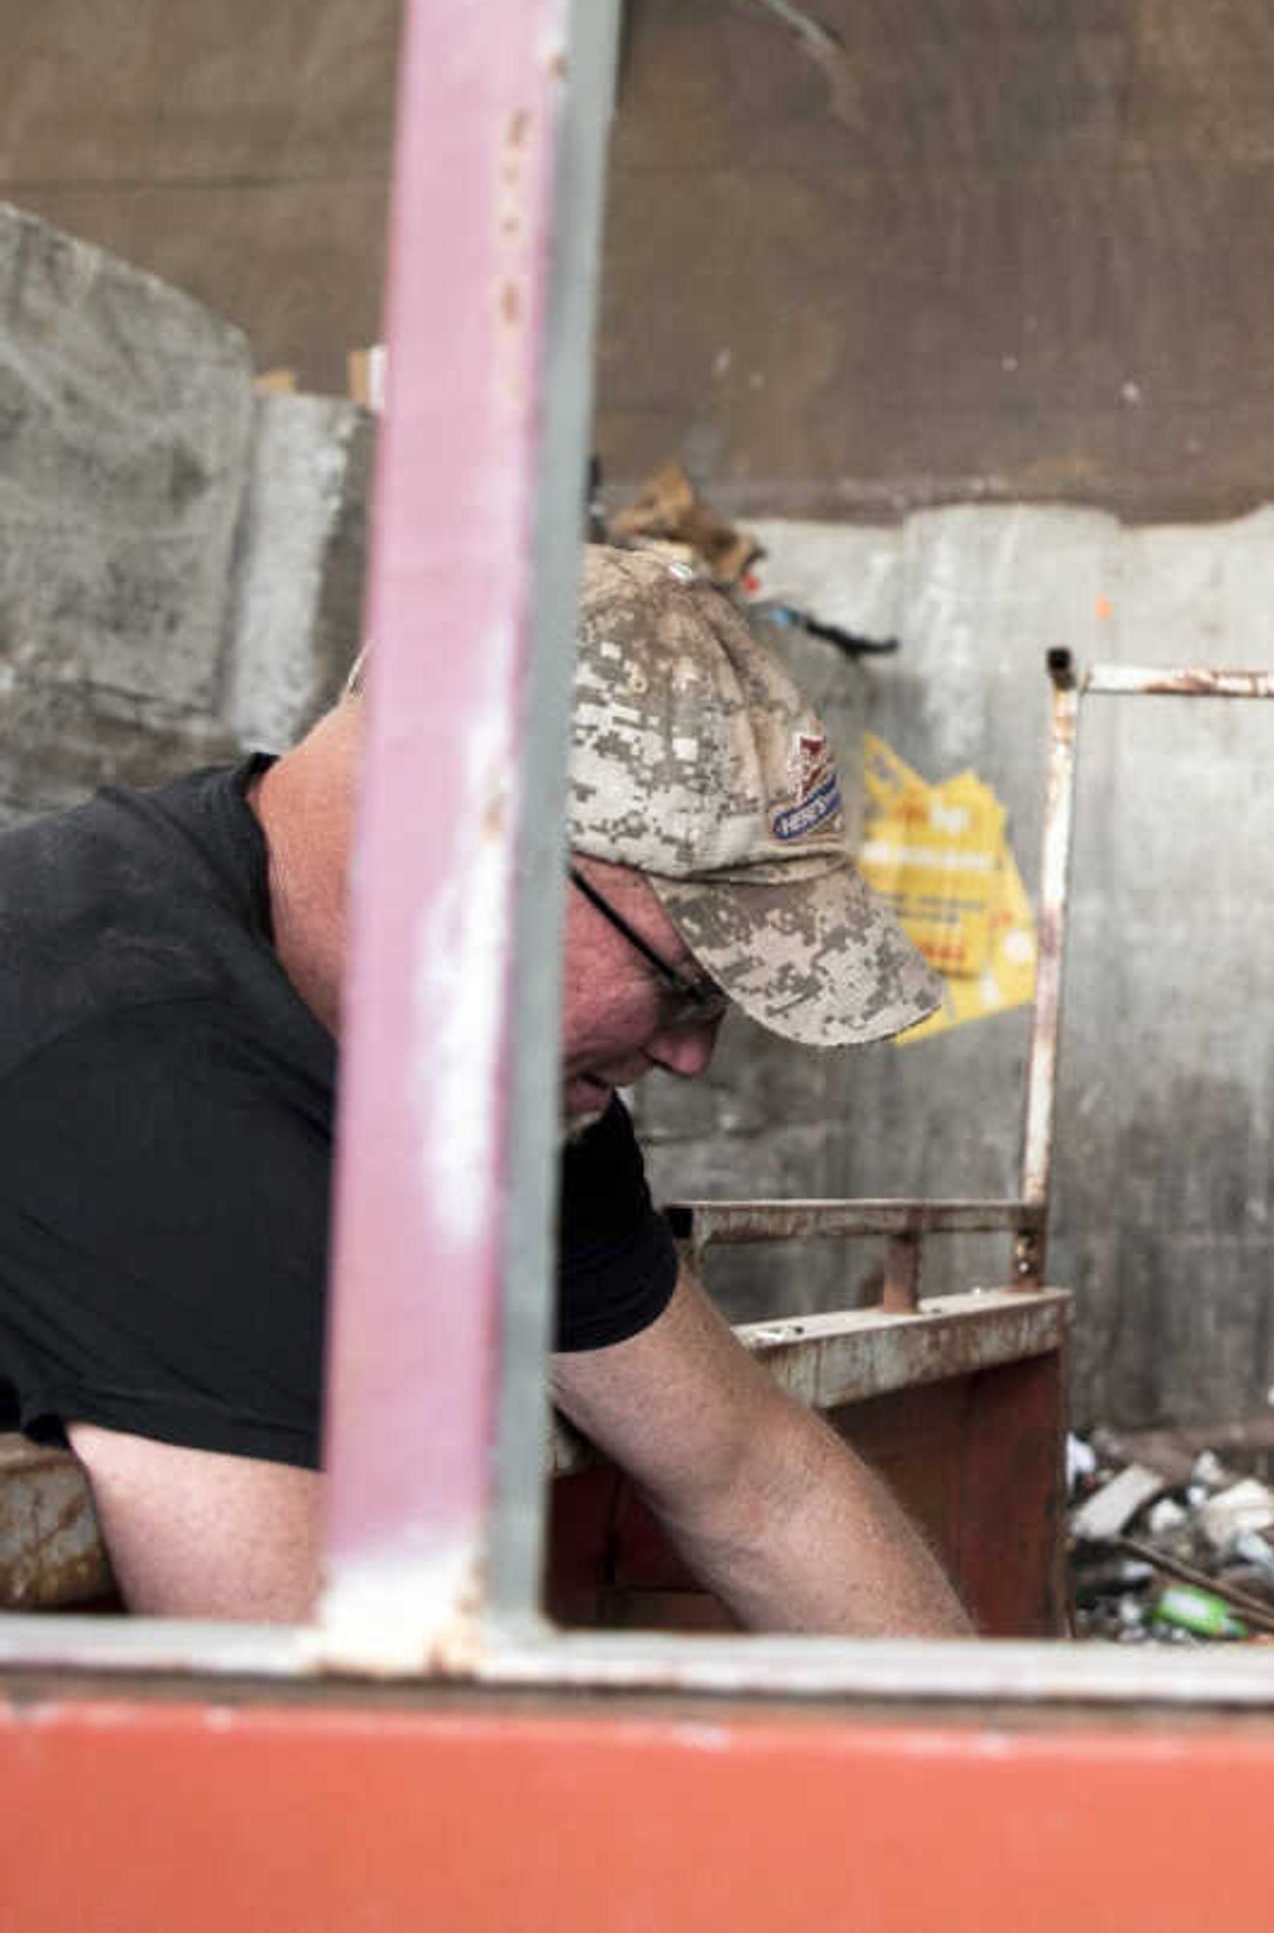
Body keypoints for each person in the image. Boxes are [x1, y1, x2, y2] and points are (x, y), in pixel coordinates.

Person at [0, 544, 970, 1630]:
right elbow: (298, 1748)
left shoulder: (473, 1072)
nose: (692, 1055)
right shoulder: (136, 1063)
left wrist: (1003, 1785)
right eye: (684, 982)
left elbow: (760, 1486)